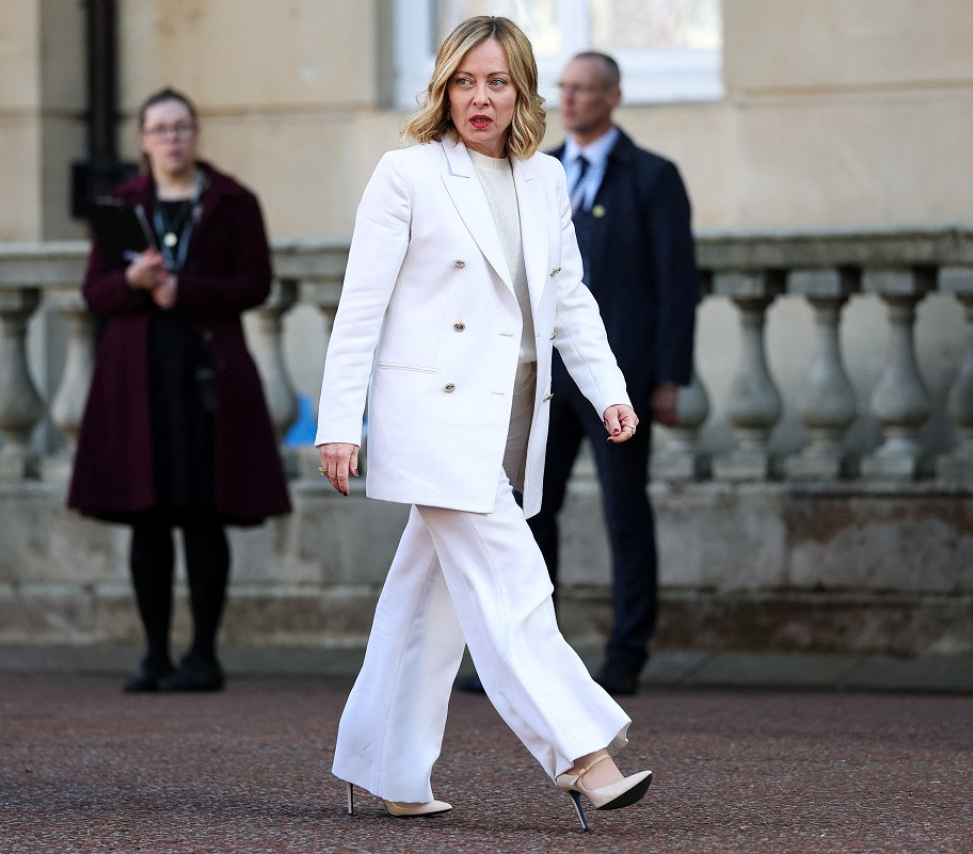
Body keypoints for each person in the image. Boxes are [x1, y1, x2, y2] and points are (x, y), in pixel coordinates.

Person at [315, 16, 651, 832]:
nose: (480, 97)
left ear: (521, 91)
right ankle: (582, 756)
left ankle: (382, 765)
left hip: (513, 415)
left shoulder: (543, 179)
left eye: (497, 81)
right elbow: (361, 306)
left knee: (425, 603)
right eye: (465, 80)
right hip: (432, 416)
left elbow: (568, 298)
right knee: (513, 583)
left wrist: (607, 386)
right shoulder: (407, 176)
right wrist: (338, 421)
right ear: (443, 87)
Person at [68, 88, 291, 693]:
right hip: (138, 376)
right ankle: (154, 654)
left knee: (202, 514)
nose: (172, 138)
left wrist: (184, 291)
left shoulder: (233, 201)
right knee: (147, 517)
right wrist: (132, 281)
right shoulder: (120, 206)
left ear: (195, 134)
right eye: (160, 128)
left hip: (206, 377)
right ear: (143, 139)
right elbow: (95, 292)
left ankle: (203, 655)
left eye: (182, 127)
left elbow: (256, 282)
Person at [529, 52, 701, 697]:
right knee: (530, 511)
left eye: (582, 90)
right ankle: (529, 652)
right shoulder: (537, 171)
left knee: (624, 511)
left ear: (613, 97)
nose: (568, 101)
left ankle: (627, 651)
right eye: (563, 89)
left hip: (616, 378)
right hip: (545, 375)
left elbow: (676, 286)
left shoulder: (652, 177)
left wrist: (667, 378)